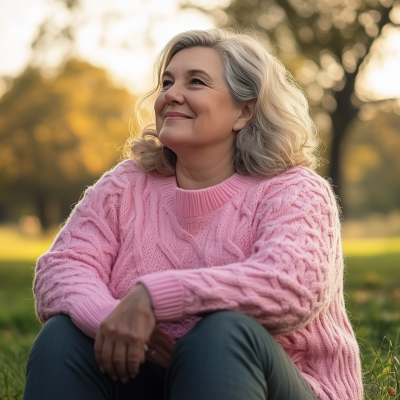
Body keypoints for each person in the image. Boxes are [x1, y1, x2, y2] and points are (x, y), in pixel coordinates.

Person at [24, 29, 363, 400]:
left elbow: (289, 285)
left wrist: (154, 296)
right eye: (167, 82)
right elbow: (63, 265)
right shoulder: (126, 185)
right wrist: (109, 318)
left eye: (196, 81)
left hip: (278, 383)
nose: (171, 94)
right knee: (63, 336)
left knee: (222, 334)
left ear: (244, 111)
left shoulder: (295, 190)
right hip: (150, 377)